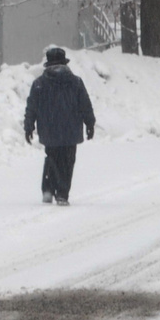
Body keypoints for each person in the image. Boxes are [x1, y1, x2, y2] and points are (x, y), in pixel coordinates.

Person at [23, 46, 95, 206]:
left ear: (48, 64)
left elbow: (32, 107)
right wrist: (90, 123)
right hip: (71, 130)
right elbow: (85, 104)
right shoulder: (75, 82)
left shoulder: (39, 84)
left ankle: (48, 189)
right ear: (65, 63)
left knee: (52, 157)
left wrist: (29, 126)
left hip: (49, 130)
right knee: (67, 162)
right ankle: (62, 193)